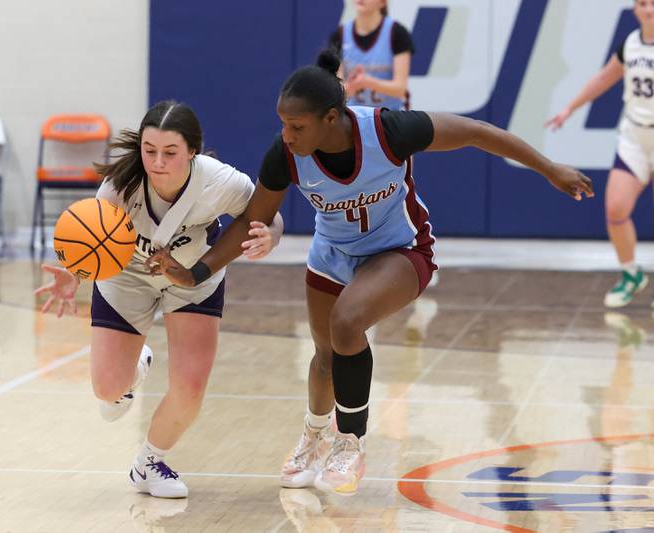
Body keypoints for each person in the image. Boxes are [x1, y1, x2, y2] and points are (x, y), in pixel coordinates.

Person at [145, 50, 593, 496]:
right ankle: (314, 437)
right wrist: (194, 272)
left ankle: (350, 442)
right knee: (324, 357)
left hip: (400, 249)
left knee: (348, 321)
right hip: (333, 252)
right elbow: (250, 221)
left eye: (297, 126)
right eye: (283, 124)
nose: (287, 135)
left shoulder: (390, 130)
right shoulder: (286, 153)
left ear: (332, 118)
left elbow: (476, 132)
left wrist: (550, 169)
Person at [35, 100, 284, 499]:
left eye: (170, 152)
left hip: (193, 277)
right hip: (127, 275)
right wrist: (73, 274)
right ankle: (136, 367)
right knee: (107, 391)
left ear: (193, 151)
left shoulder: (222, 182)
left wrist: (271, 234)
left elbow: (265, 214)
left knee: (190, 387)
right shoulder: (119, 186)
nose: (158, 161)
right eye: (149, 151)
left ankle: (149, 463)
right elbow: (89, 241)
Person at [547, 0, 654, 308]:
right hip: (634, 136)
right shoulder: (631, 45)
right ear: (635, 8)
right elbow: (605, 78)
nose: (648, 9)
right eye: (643, 3)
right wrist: (570, 108)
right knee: (616, 209)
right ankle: (631, 273)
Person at [329, 0, 413, 110]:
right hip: (353, 117)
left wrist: (367, 82)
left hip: (389, 117)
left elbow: (400, 89)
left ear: (382, 3)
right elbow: (338, 91)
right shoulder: (340, 35)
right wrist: (351, 87)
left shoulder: (397, 33)